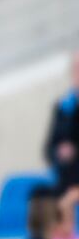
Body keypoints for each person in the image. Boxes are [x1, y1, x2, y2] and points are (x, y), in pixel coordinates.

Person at [44, 51, 79, 192]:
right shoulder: (63, 107)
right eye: (75, 68)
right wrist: (59, 152)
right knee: (14, 186)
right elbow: (47, 149)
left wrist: (74, 151)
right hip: (63, 176)